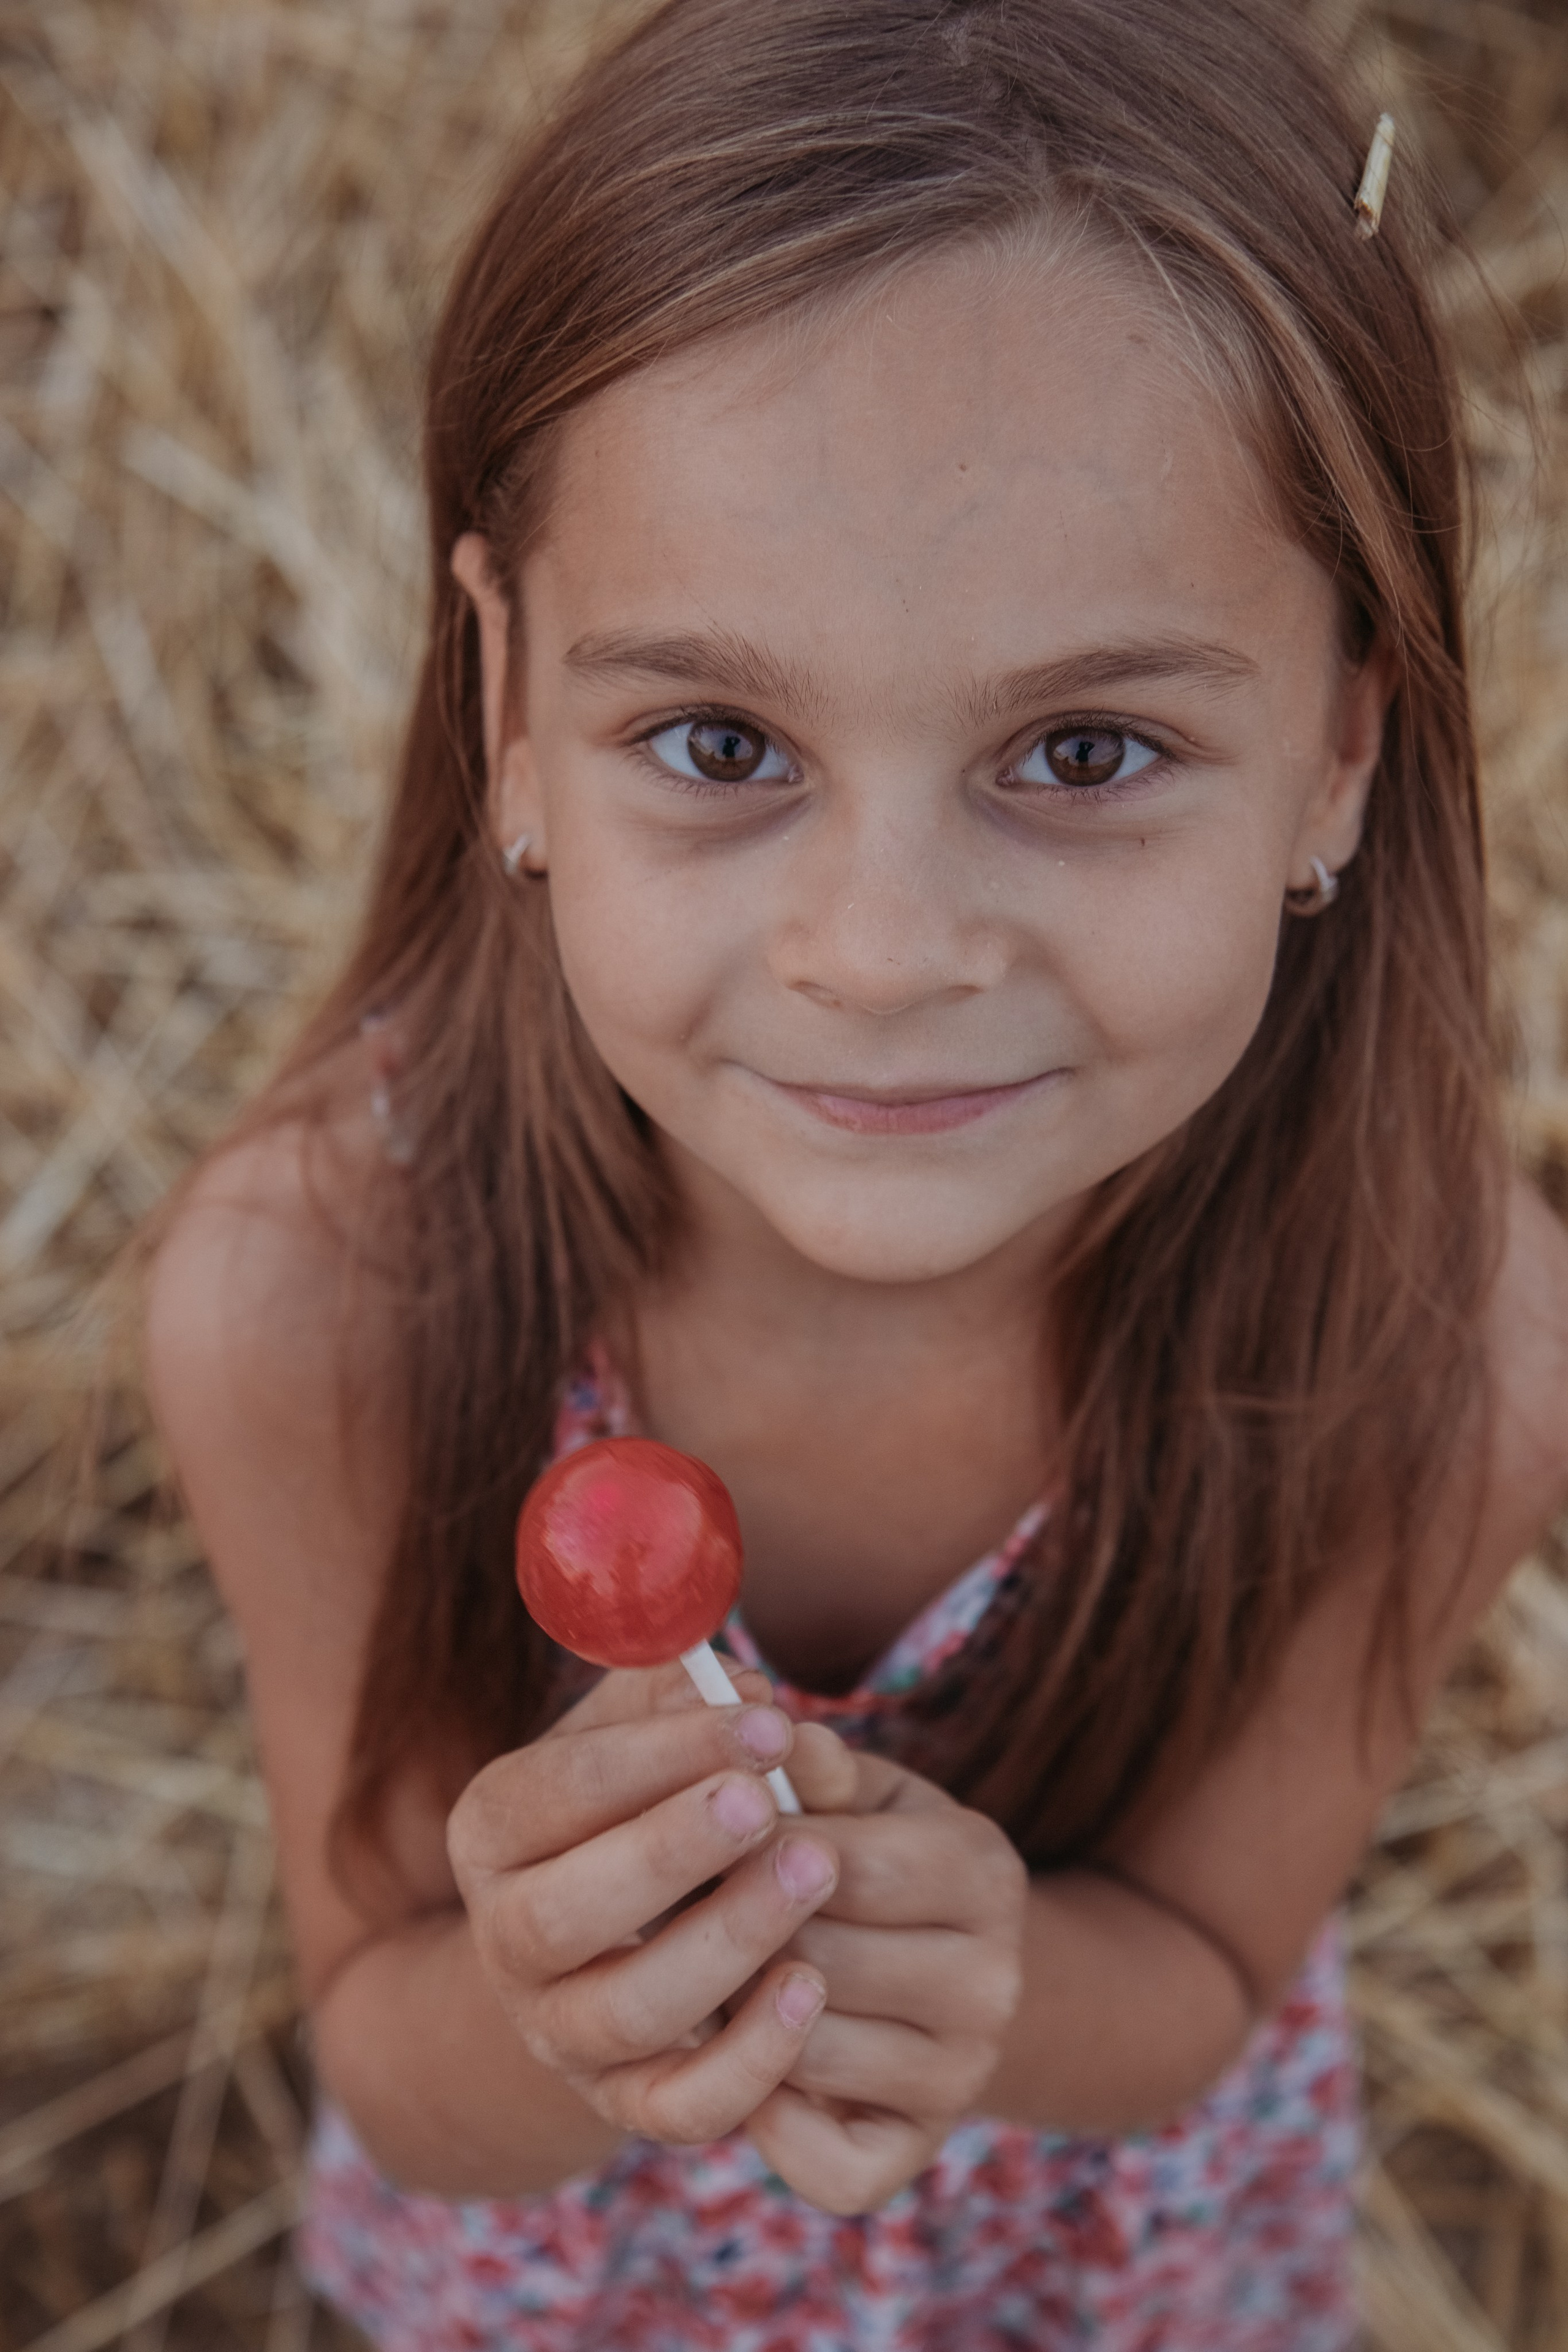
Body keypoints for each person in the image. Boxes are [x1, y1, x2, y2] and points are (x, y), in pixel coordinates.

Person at [141, 1, 1568, 2345]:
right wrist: (552, 2005)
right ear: (508, 708)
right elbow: (396, 2058)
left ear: (1339, 749)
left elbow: (1203, 1973)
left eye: (1085, 750)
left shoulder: (1442, 1349)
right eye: (720, 742)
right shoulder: (319, 1296)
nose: (886, 954)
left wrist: (994, 1984)